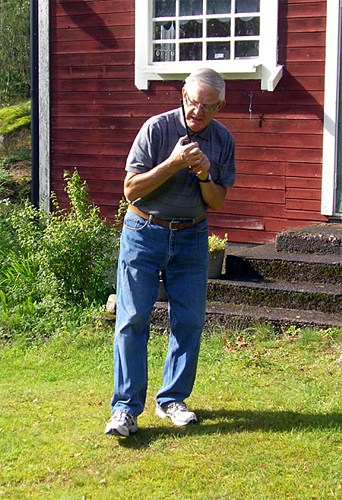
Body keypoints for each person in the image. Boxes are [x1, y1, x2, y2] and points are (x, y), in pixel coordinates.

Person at [105, 68, 235, 437]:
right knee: (132, 320)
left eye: (208, 106)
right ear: (183, 95)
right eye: (194, 102)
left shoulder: (223, 139)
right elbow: (131, 189)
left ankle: (172, 400)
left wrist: (206, 175)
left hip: (193, 237)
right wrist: (174, 163)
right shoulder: (156, 129)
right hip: (144, 232)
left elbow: (218, 202)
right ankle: (125, 410)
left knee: (189, 321)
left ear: (220, 106)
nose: (198, 112)